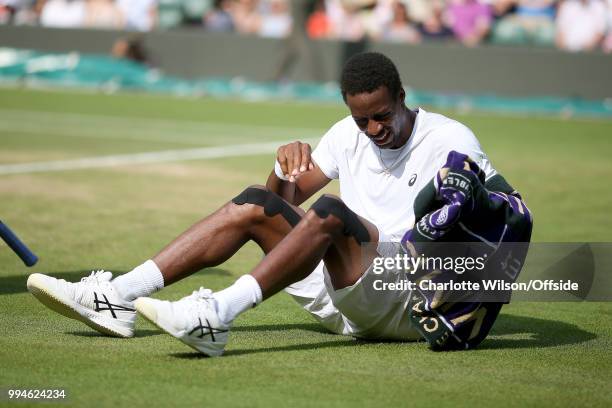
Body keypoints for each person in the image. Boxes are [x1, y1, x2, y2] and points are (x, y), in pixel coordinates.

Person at [27, 52, 508, 356]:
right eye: (362, 120)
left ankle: (217, 314)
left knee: (332, 211)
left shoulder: (450, 140)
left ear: (402, 97)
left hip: (406, 296)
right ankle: (118, 297)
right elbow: (279, 206)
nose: (374, 130)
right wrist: (282, 171)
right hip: (342, 290)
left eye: (382, 116)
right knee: (254, 201)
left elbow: (506, 216)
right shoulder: (348, 134)